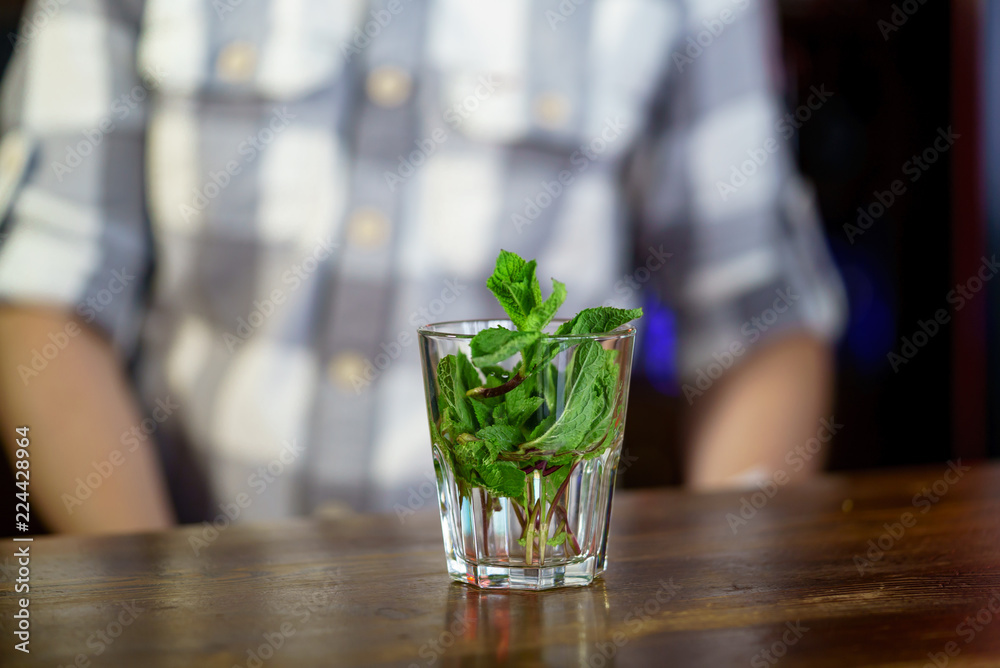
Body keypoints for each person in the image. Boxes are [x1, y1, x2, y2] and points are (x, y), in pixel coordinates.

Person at [0, 0, 845, 533]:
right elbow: (41, 294)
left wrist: (723, 624)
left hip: (530, 627)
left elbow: (758, 331)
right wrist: (157, 623)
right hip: (191, 593)